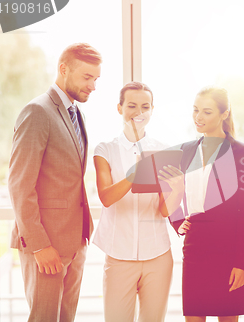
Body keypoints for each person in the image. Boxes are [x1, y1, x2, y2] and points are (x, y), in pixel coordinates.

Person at [8, 43, 101, 321]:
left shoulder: (76, 114)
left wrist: (81, 241)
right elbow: (20, 185)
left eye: (96, 79)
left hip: (75, 243)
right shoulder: (37, 112)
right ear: (63, 69)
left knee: (65, 318)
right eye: (87, 77)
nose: (93, 86)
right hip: (46, 247)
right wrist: (39, 245)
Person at [166, 86, 244, 321]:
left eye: (207, 112)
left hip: (229, 249)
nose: (198, 117)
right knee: (194, 316)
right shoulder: (185, 151)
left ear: (224, 114)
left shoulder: (243, 153)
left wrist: (242, 264)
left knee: (227, 316)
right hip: (195, 245)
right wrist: (177, 221)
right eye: (195, 110)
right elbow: (170, 191)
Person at [93, 82, 179, 321]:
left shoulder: (163, 151)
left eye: (145, 106)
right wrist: (136, 174)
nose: (139, 112)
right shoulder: (105, 149)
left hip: (158, 256)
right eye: (131, 105)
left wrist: (177, 188)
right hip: (119, 256)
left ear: (152, 110)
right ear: (119, 108)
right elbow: (106, 197)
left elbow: (164, 210)